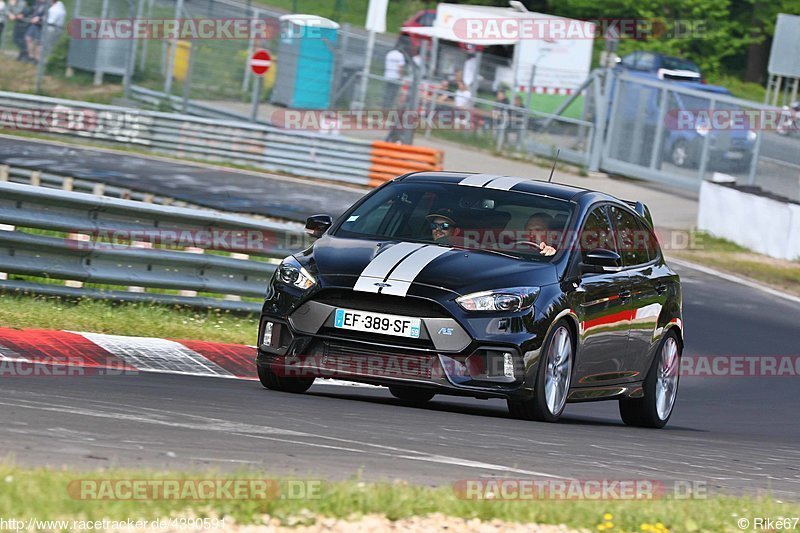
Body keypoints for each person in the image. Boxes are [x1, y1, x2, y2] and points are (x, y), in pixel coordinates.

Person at [383, 42, 406, 109]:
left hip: (388, 75)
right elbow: (400, 68)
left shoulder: (389, 53)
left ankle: (385, 105)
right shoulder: (400, 56)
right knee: (393, 93)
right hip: (395, 77)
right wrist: (401, 77)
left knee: (387, 91)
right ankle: (389, 106)